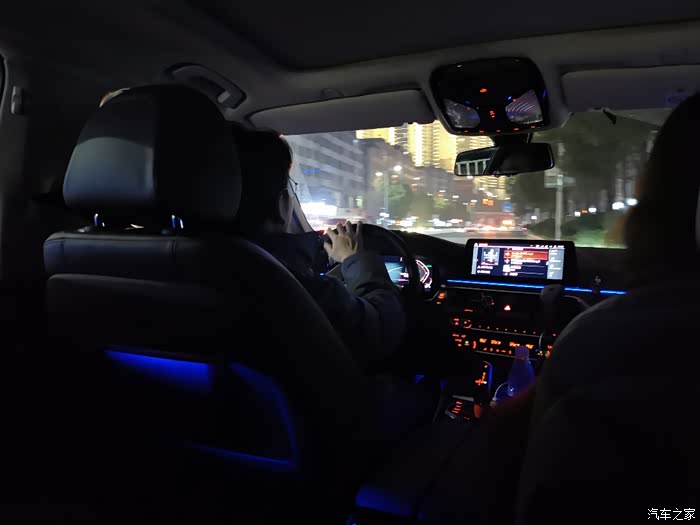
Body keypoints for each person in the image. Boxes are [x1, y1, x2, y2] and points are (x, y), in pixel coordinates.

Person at [231, 127, 406, 369]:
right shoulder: (289, 286)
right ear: (282, 204)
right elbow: (382, 330)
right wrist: (354, 259)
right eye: (290, 187)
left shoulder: (186, 265)